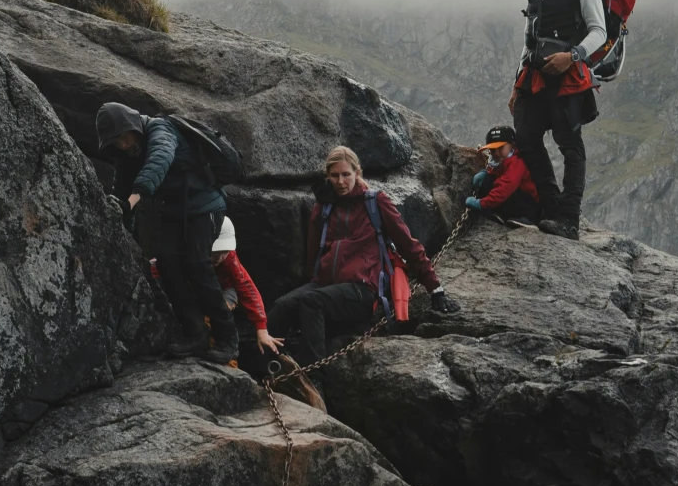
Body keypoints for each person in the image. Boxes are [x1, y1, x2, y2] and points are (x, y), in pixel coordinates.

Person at [274, 146, 458, 364]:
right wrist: (308, 281)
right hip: (325, 285)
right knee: (282, 305)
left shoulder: (375, 202)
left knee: (310, 302)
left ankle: (312, 375)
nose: (340, 181)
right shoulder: (323, 208)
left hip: (362, 290)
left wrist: (435, 288)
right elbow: (313, 254)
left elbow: (408, 244)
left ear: (357, 173)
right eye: (334, 175)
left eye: (346, 174)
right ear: (327, 177)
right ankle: (266, 365)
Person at [97, 101, 233, 361]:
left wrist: (132, 200)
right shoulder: (129, 152)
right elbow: (121, 189)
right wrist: (121, 218)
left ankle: (227, 338)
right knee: (168, 263)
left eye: (124, 137)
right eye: (116, 142)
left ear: (132, 125)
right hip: (174, 211)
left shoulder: (161, 130)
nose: (123, 144)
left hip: (205, 206)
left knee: (197, 263)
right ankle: (195, 334)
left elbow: (159, 161)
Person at [514, 0, 603, 239]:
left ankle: (568, 220)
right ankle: (549, 208)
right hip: (536, 76)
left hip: (569, 77)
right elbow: (530, 40)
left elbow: (598, 30)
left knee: (569, 143)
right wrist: (516, 84)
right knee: (525, 136)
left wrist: (573, 56)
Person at [211, 217, 284, 373]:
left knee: (220, 310)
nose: (218, 257)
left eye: (223, 252)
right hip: (198, 289)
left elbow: (246, 288)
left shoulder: (229, 259)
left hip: (225, 290)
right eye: (215, 252)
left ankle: (230, 364)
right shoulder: (192, 252)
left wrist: (261, 328)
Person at [463, 124, 542, 224]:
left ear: (512, 145)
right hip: (515, 200)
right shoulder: (501, 161)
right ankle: (501, 213)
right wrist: (486, 174)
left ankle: (528, 219)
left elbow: (505, 187)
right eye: (492, 149)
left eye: (500, 148)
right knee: (489, 180)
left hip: (528, 206)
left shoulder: (516, 162)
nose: (496, 153)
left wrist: (481, 204)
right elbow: (497, 174)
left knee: (503, 188)